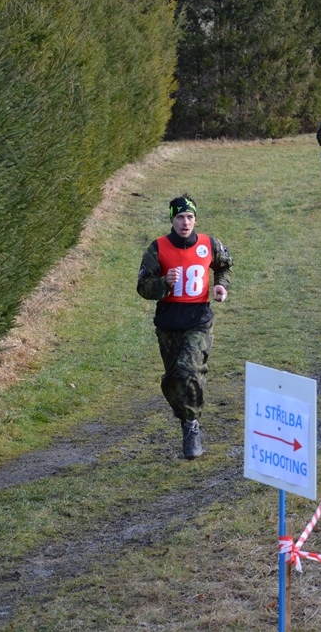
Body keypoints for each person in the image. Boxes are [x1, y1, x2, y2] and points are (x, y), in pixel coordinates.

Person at [137, 194, 233, 460]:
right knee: (173, 380)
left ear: (195, 220)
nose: (185, 222)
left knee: (188, 370)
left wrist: (221, 285)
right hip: (168, 323)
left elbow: (224, 265)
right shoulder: (157, 248)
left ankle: (191, 427)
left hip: (198, 320)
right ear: (172, 219)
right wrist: (164, 282)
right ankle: (185, 415)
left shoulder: (208, 244)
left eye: (190, 217)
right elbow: (143, 288)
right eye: (180, 217)